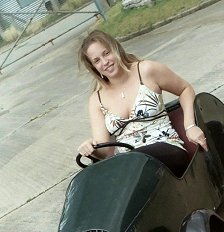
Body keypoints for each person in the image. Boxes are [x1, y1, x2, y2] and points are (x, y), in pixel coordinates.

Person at [78, 30, 208, 177]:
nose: (104, 62)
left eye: (106, 53)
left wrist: (190, 126)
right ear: (93, 67)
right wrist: (91, 147)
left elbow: (185, 89)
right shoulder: (96, 100)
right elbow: (104, 151)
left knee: (134, 161)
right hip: (128, 166)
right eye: (97, 60)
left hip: (166, 149)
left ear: (116, 49)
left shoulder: (146, 70)